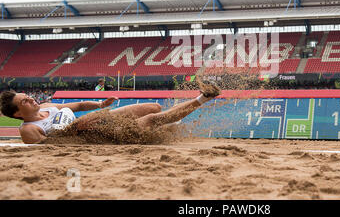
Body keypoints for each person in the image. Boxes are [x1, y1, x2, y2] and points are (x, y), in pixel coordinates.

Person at [0, 81, 220, 144]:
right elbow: (50, 147)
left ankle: (164, 126)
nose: (30, 98)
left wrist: (100, 104)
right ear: (18, 114)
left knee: (154, 107)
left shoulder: (48, 106)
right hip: (99, 133)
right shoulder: (29, 129)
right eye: (24, 101)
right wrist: (74, 129)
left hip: (100, 118)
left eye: (26, 95)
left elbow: (77, 107)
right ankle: (203, 97)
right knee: (153, 118)